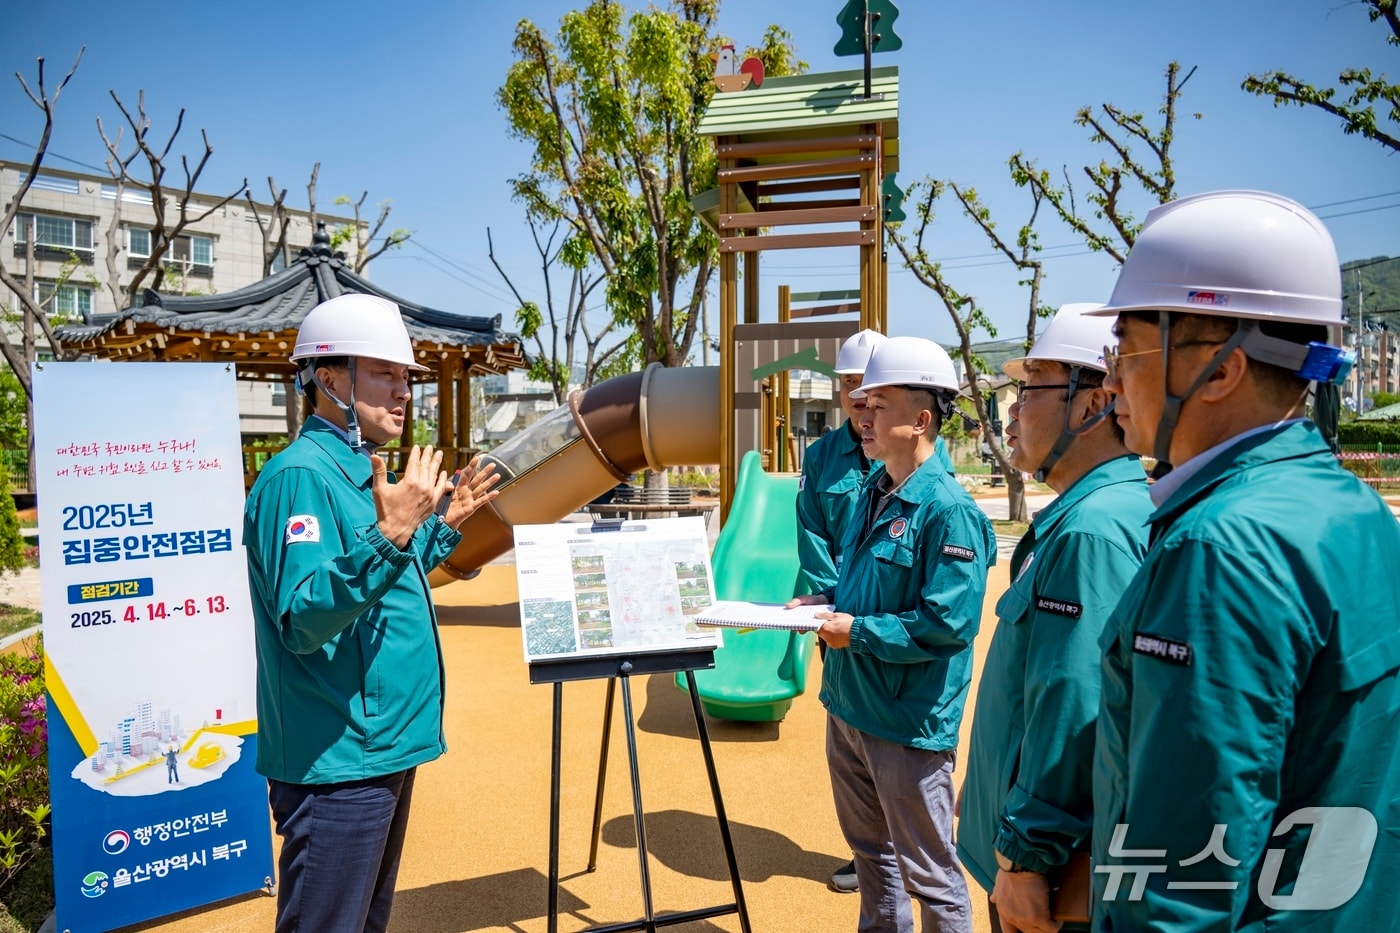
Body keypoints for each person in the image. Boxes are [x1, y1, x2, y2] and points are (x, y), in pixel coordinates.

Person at [1088, 190, 1400, 930]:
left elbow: (1180, 875)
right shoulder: (1355, 508)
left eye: (1126, 350)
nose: (1109, 381)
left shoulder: (1220, 547)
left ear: (1220, 371)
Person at [243, 293, 500, 933]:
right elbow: (303, 617)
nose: (403, 389)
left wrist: (438, 529)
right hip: (337, 759)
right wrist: (391, 534)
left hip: (379, 747)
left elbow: (379, 586)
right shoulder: (298, 478)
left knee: (364, 922)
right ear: (328, 379)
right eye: (384, 371)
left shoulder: (361, 473)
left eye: (406, 375)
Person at [956, 304, 1152, 933]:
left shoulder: (1092, 532)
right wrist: (991, 796)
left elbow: (1076, 702)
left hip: (1048, 874)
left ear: (1092, 405)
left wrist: (1025, 856)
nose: (1011, 410)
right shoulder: (1084, 514)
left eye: (1028, 386)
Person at [790, 335, 995, 932]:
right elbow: (859, 589)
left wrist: (857, 633)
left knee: (933, 877)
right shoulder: (872, 495)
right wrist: (821, 603)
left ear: (921, 419)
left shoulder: (948, 511)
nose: (862, 413)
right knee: (873, 860)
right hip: (850, 709)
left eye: (878, 404)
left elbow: (947, 625)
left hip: (906, 724)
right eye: (861, 400)